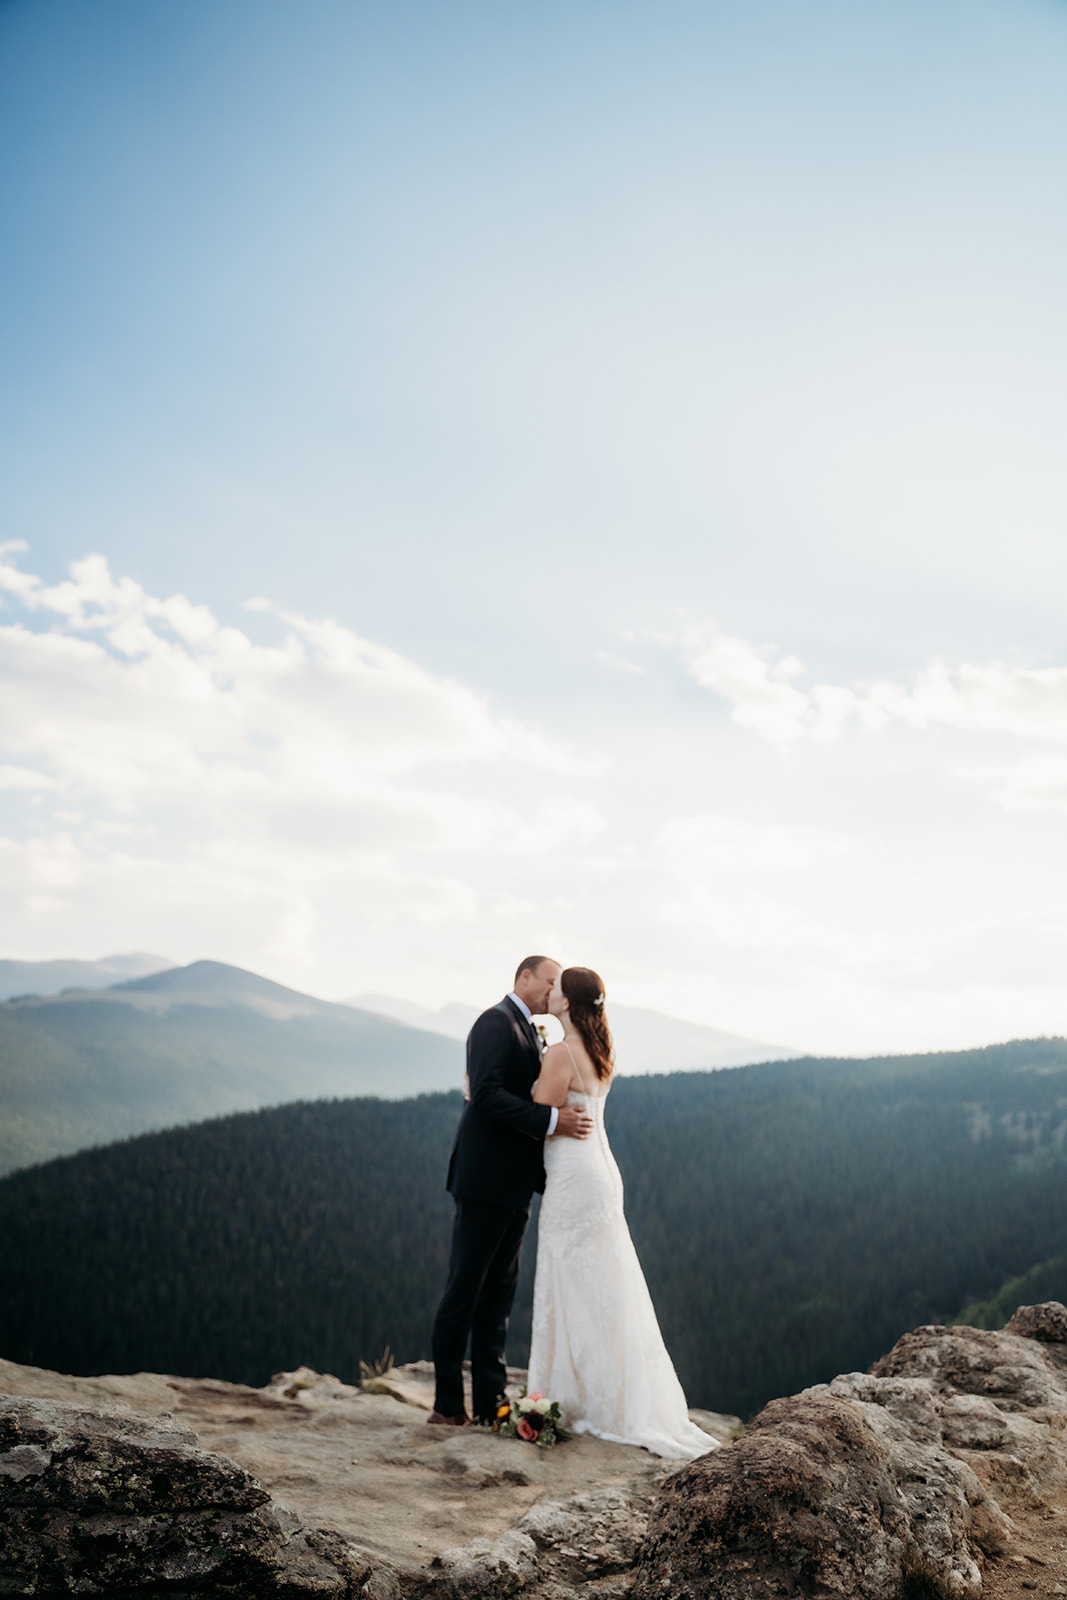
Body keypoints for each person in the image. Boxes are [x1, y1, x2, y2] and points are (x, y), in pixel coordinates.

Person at [527, 966, 716, 1460]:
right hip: (602, 1174)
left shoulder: (559, 1054)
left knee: (570, 1281)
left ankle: (576, 1397)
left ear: (568, 1003)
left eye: (556, 990)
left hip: (573, 1176)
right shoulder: (598, 1050)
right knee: (606, 1286)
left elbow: (537, 1119)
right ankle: (609, 1394)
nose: (550, 994)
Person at [429, 956, 594, 1426]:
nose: (551, 991)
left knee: (498, 1297)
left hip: (515, 1185)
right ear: (524, 978)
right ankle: (445, 1406)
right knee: (464, 1290)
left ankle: (490, 1403)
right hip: (483, 1181)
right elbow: (484, 1094)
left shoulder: (531, 1031)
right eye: (548, 982)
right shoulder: (494, 1023)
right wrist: (552, 1120)